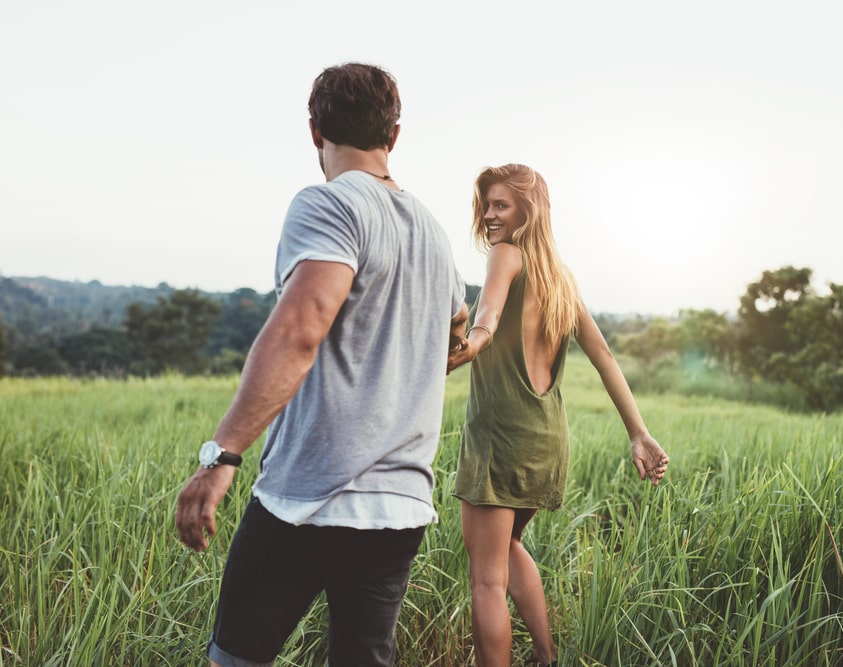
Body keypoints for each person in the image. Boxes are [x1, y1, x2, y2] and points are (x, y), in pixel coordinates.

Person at [175, 62, 468, 667]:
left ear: (315, 133)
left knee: (237, 658)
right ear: (394, 135)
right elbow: (454, 339)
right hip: (400, 506)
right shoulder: (436, 236)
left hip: (309, 498)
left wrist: (223, 454)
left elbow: (300, 330)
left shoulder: (329, 205)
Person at [446, 163, 669, 667]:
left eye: (501, 205)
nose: (489, 215)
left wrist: (469, 343)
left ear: (528, 211)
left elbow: (487, 319)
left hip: (500, 438)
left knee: (486, 580)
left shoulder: (505, 256)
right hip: (547, 439)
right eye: (487, 205)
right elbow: (605, 356)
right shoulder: (560, 278)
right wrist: (639, 432)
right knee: (508, 549)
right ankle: (546, 657)